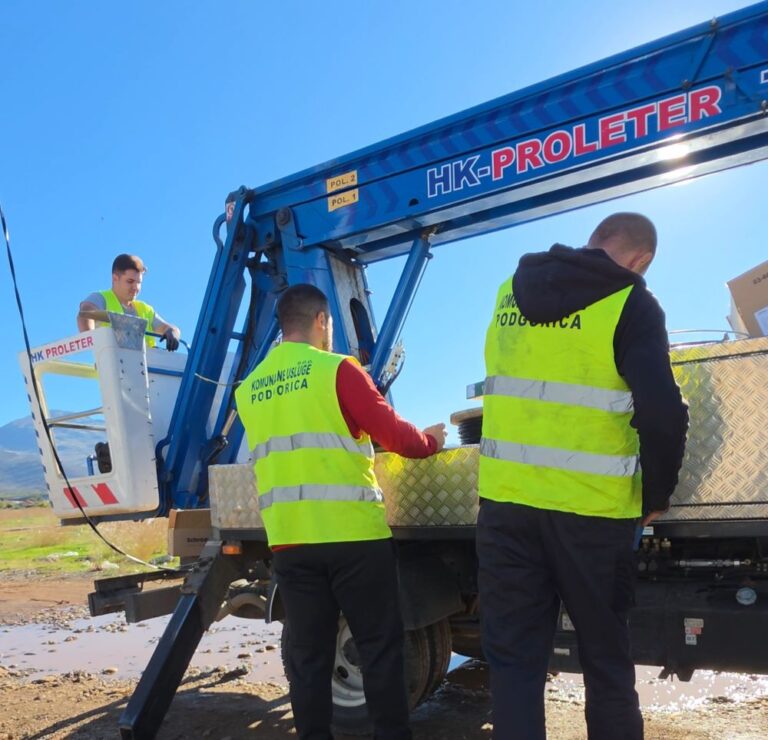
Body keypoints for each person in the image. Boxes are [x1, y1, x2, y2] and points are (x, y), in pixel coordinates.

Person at [477, 212, 688, 740]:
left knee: (515, 665)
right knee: (605, 660)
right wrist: (656, 494)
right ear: (641, 259)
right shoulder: (632, 301)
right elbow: (662, 413)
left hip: (506, 509)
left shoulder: (509, 291)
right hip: (594, 514)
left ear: (594, 240)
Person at [234, 283, 447, 740]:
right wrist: (432, 440)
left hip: (290, 542)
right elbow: (396, 437)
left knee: (309, 659)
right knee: (379, 650)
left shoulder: (249, 390)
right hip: (353, 539)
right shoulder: (337, 370)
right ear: (321, 321)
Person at [77, 253, 181, 350]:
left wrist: (173, 331)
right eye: (130, 281)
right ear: (115, 278)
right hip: (113, 362)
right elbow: (86, 314)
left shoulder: (145, 309)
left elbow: (166, 327)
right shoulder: (101, 298)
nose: (136, 287)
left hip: (148, 363)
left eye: (139, 282)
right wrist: (92, 342)